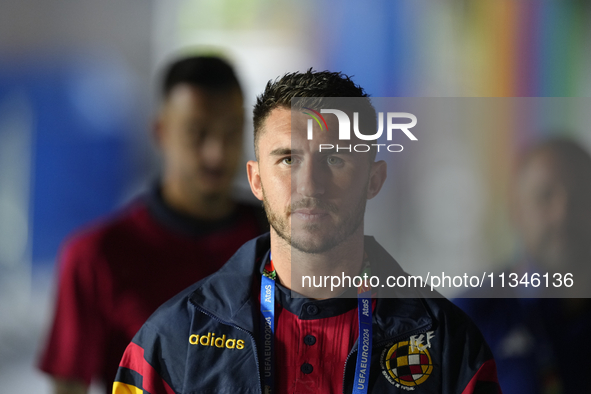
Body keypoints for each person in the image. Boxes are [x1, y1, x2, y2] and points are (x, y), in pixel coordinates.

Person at [112, 70, 501, 393]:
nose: (310, 184)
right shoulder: (173, 339)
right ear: (256, 180)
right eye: (288, 159)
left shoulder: (451, 347)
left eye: (335, 158)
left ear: (373, 178)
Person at [38, 56, 268, 394]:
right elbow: (68, 385)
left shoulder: (279, 240)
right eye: (198, 132)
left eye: (231, 132)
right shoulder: (97, 256)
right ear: (161, 132)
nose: (216, 153)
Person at [454, 137, 591, 394]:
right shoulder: (469, 320)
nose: (562, 213)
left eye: (580, 197)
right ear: (516, 209)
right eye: (545, 196)